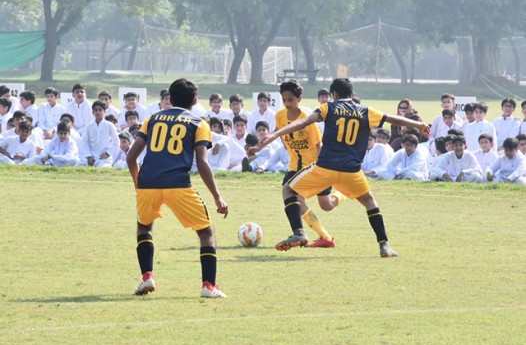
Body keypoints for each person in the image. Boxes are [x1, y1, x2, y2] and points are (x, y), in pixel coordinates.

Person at [251, 78, 430, 256]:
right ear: (352, 94)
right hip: (351, 171)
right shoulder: (365, 111)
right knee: (369, 201)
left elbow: (304, 122)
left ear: (334, 94)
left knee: (288, 190)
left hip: (326, 168)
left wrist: (274, 135)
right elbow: (392, 118)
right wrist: (419, 124)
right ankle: (384, 245)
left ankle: (299, 232)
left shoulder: (328, 107)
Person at [127, 78, 229, 299]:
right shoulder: (199, 123)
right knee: (206, 232)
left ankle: (147, 277)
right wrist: (217, 197)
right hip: (178, 184)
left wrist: (138, 185)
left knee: (144, 227)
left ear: (170, 99)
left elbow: (131, 157)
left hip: (147, 183)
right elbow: (202, 163)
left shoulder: (152, 119)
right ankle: (208, 286)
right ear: (194, 101)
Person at [272, 80, 340, 249]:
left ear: (299, 99)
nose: (287, 103)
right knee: (297, 197)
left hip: (314, 166)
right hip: (295, 166)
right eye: (284, 100)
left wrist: (321, 169)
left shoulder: (307, 119)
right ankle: (322, 237)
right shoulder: (279, 115)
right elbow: (280, 135)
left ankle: (343, 194)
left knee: (325, 205)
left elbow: (319, 145)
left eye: (291, 100)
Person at [76, 101, 119, 168]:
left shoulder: (110, 125)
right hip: (91, 155)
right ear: (92, 112)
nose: (98, 112)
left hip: (103, 156)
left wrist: (108, 153)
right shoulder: (89, 126)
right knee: (78, 167)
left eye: (100, 110)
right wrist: (88, 156)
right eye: (95, 110)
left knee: (104, 168)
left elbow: (116, 141)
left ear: (104, 111)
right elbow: (84, 142)